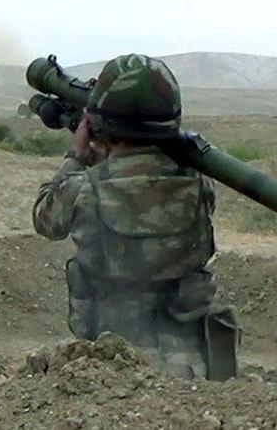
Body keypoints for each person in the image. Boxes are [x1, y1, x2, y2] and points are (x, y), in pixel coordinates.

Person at [32, 53, 240, 380]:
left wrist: (77, 156)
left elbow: (45, 219)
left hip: (114, 361)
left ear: (99, 125)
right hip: (194, 360)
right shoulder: (201, 183)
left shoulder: (82, 189)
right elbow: (146, 184)